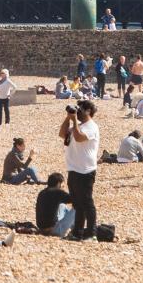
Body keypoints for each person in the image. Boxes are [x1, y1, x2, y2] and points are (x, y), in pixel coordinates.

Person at [58, 100, 100, 242]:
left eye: (80, 109)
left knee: (87, 202)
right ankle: (77, 232)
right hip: (73, 169)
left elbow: (79, 137)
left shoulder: (91, 127)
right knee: (77, 203)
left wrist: (75, 120)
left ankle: (91, 233)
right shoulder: (79, 124)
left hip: (86, 170)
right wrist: (69, 118)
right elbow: (62, 134)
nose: (78, 111)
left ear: (88, 111)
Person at [35, 172, 74, 238]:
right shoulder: (58, 192)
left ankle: (74, 228)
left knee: (62, 206)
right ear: (58, 183)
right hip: (54, 231)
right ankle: (76, 230)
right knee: (77, 208)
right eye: (61, 184)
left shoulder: (42, 193)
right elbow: (75, 200)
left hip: (41, 229)